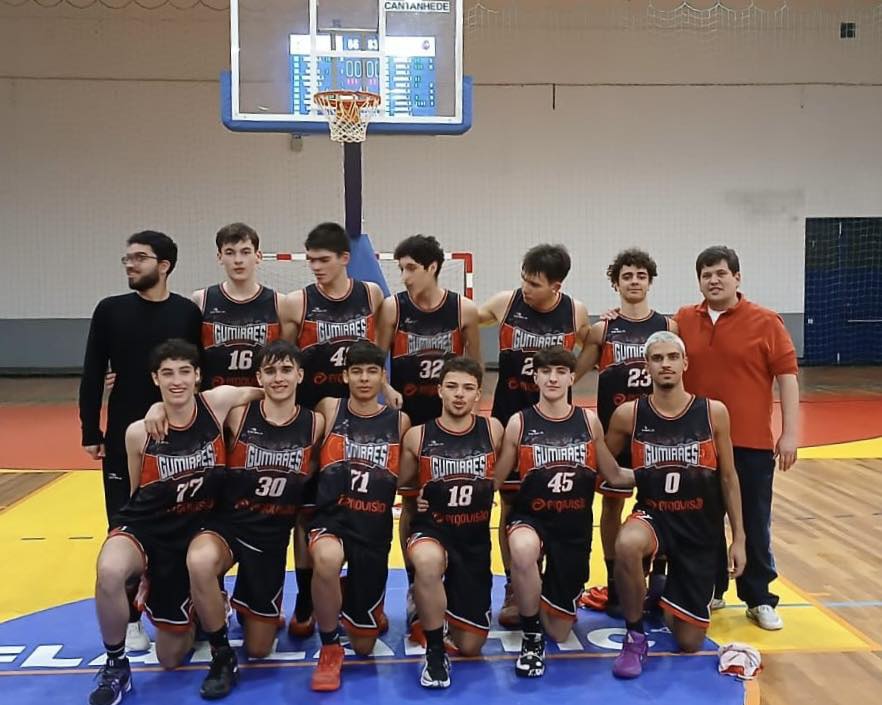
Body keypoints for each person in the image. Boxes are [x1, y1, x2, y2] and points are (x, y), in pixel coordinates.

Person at [88, 340, 261, 705]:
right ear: (155, 378)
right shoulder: (139, 432)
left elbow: (266, 389)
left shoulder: (217, 403)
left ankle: (221, 651)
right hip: (152, 528)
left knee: (199, 563)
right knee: (112, 576)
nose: (177, 380)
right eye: (167, 373)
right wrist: (144, 563)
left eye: (185, 371)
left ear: (198, 375)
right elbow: (139, 491)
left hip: (201, 526)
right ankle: (116, 664)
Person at [79, 230, 202, 650]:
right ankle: (132, 617)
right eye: (127, 258)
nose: (130, 264)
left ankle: (194, 606)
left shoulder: (187, 312)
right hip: (122, 436)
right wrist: (89, 431)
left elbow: (199, 373)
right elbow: (94, 370)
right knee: (124, 523)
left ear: (164, 265)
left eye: (140, 258)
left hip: (181, 438)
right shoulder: (110, 310)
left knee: (189, 520)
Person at [184, 340, 323, 698]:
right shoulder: (237, 414)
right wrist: (155, 410)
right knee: (199, 561)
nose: (279, 378)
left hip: (270, 538)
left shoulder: (315, 424)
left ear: (300, 375)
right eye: (271, 371)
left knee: (260, 649)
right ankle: (220, 654)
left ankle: (237, 603)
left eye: (286, 370)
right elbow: (186, 401)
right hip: (229, 524)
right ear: (259, 376)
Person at [605, 331, 746, 678]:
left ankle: (660, 588)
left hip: (700, 526)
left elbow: (728, 477)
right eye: (657, 358)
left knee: (689, 642)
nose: (665, 364)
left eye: (671, 357)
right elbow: (603, 466)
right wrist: (641, 476)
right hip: (654, 514)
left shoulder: (714, 413)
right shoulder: (628, 414)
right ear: (647, 366)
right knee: (627, 543)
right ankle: (635, 635)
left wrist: (739, 538)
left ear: (685, 363)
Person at [675, 246, 798, 630]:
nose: (714, 280)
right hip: (698, 444)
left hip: (751, 443)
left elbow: (788, 377)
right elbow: (651, 337)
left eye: (721, 273)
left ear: (737, 278)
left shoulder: (766, 321)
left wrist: (790, 433)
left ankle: (759, 597)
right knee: (704, 521)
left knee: (754, 522)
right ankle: (712, 589)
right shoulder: (682, 319)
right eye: (706, 274)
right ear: (699, 280)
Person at [494, 346, 633, 678]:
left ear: (572, 377)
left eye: (560, 372)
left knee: (559, 630)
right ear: (536, 376)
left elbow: (613, 474)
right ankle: (530, 637)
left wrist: (656, 472)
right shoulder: (519, 422)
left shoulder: (589, 421)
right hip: (531, 518)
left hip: (573, 527)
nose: (553, 378)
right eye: (545, 372)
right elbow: (495, 479)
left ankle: (540, 597)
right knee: (523, 549)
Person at [479, 244, 591, 627]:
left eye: (535, 283)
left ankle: (556, 583)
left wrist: (578, 373)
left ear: (556, 285)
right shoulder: (505, 302)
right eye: (524, 278)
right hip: (511, 420)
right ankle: (514, 584)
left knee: (558, 507)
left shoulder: (575, 312)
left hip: (558, 428)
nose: (526, 287)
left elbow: (592, 342)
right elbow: (463, 323)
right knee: (511, 508)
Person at [376, 234, 482, 634]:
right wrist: (387, 392)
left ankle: (455, 582)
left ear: (433, 267)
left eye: (410, 269)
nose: (403, 277)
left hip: (451, 419)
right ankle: (414, 587)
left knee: (455, 502)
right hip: (409, 419)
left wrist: (470, 409)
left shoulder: (463, 309)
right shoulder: (393, 308)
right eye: (400, 268)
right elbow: (378, 362)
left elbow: (475, 369)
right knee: (412, 504)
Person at [286, 222, 386, 637]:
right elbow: (288, 359)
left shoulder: (371, 295)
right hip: (313, 416)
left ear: (346, 258)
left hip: (360, 413)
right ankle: (307, 596)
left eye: (323, 260)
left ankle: (365, 593)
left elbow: (378, 351)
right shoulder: (297, 303)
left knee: (364, 503)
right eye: (310, 260)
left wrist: (386, 388)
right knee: (305, 510)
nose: (315, 267)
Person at [307, 341, 410, 692]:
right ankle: (330, 646)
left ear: (383, 376)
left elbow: (409, 476)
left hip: (374, 527)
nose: (364, 379)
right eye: (356, 371)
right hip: (332, 520)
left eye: (372, 372)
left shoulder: (400, 420)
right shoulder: (329, 409)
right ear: (345, 375)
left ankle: (358, 598)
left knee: (365, 648)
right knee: (326, 558)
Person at [578, 248, 675, 616]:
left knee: (662, 502)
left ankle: (660, 575)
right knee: (612, 503)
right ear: (616, 283)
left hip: (657, 433)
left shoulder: (667, 328)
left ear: (650, 281)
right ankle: (616, 580)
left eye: (640, 276)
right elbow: (573, 371)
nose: (634, 282)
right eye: (627, 276)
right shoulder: (604, 329)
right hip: (615, 432)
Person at [398, 357, 502, 688]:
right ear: (440, 390)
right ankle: (435, 650)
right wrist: (410, 564)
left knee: (471, 647)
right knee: (427, 562)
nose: (459, 394)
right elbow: (405, 492)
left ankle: (442, 609)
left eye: (468, 388)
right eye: (452, 386)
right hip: (433, 530)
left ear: (478, 395)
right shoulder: (417, 436)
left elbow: (503, 481)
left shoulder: (494, 430)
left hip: (473, 538)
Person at [195, 223, 299, 388]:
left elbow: (286, 358)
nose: (238, 260)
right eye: (230, 253)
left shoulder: (280, 302)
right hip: (214, 399)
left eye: (245, 252)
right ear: (219, 257)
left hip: (262, 400)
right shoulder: (202, 299)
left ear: (258, 256)